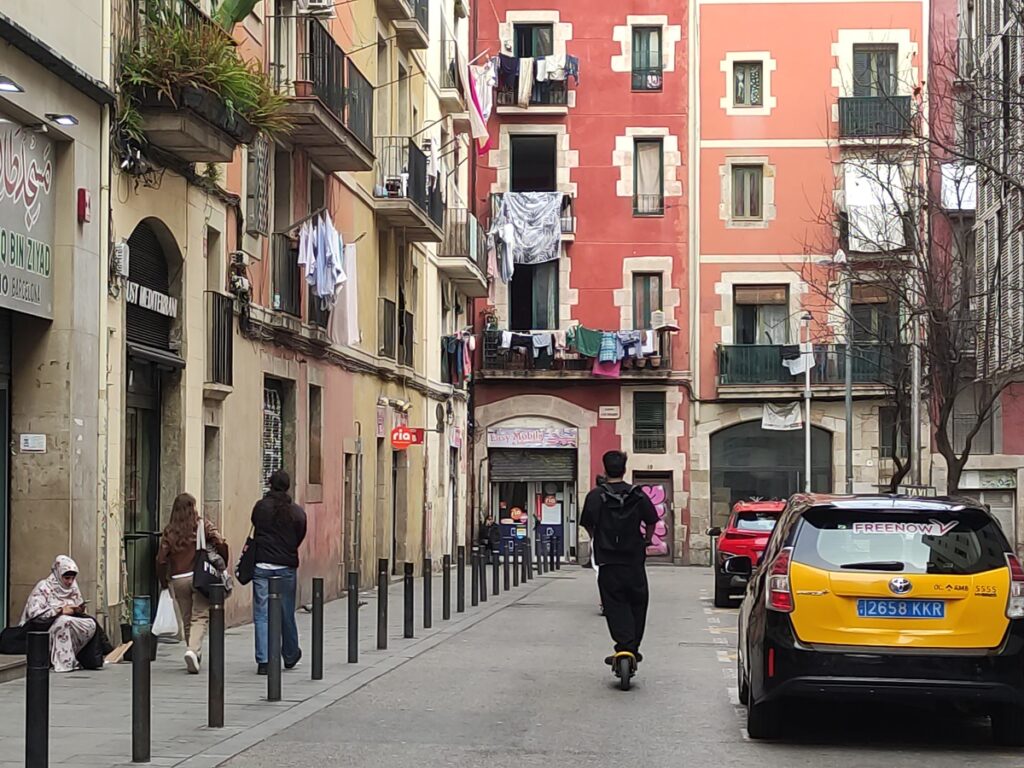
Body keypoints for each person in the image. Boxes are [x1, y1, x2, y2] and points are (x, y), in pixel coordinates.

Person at [580, 451, 659, 666]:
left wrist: (596, 537)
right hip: (633, 559)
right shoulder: (638, 494)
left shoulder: (595, 496)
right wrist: (647, 539)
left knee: (614, 604)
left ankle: (623, 645)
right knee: (638, 602)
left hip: (608, 560)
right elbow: (652, 520)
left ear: (605, 469)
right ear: (624, 469)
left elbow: (587, 522)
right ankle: (632, 647)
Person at [156, 492, 229, 674]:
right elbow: (220, 541)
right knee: (200, 616)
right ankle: (192, 651)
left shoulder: (169, 531)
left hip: (178, 579)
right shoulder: (202, 525)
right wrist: (222, 560)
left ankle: (193, 652)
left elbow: (161, 559)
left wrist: (164, 581)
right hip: (199, 576)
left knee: (187, 618)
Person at [251, 469, 307, 675]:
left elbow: (255, 526)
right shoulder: (296, 512)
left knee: (261, 614)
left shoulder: (260, 508)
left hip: (262, 565)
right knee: (286, 612)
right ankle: (290, 653)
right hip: (285, 567)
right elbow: (299, 535)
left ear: (270, 484)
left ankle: (264, 660)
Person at [18, 556, 101, 672]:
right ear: (58, 574)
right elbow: (34, 614)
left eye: (72, 578)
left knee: (90, 624)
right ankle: (63, 662)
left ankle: (72, 656)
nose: (70, 582)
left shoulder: (73, 588)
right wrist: (59, 611)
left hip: (68, 623)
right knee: (63, 622)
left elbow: (78, 603)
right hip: (44, 627)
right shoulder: (44, 587)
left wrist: (78, 610)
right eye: (66, 578)